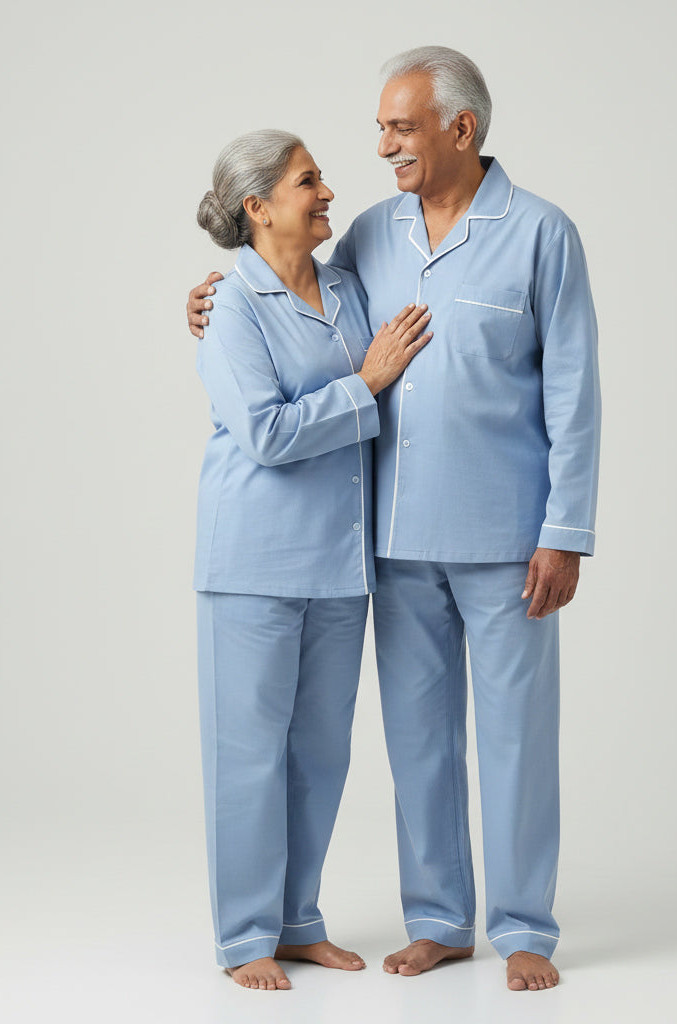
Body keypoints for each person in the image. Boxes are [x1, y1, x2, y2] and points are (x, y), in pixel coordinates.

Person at [188, 47, 600, 992]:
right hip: (389, 543)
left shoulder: (542, 233)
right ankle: (442, 919)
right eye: (379, 128)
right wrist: (207, 297)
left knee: (516, 737)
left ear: (461, 128)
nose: (380, 147)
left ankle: (526, 925)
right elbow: (281, 295)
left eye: (399, 128)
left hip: (508, 540)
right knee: (418, 742)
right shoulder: (371, 237)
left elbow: (575, 391)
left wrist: (566, 529)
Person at [192, 129, 432, 991]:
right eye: (308, 181)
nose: (328, 190)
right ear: (258, 207)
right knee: (248, 752)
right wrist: (363, 385)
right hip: (253, 560)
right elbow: (265, 433)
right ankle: (244, 936)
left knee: (320, 752)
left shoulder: (346, 287)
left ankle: (298, 920)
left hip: (340, 562)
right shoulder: (231, 305)